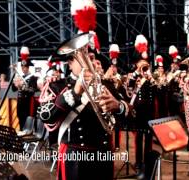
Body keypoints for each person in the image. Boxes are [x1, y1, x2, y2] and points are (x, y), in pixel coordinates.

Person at [38, 34, 131, 180]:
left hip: (103, 154)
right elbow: (46, 116)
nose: (89, 62)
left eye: (91, 58)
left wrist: (118, 106)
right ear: (70, 63)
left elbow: (133, 114)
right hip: (75, 156)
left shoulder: (106, 84)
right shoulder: (58, 85)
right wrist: (75, 91)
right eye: (83, 57)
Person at [12, 46, 38, 130]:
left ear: (28, 67)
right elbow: (13, 89)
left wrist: (23, 86)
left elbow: (32, 90)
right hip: (20, 102)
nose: (23, 69)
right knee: (20, 119)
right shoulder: (20, 76)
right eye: (22, 67)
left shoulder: (32, 77)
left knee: (28, 121)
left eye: (25, 67)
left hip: (28, 102)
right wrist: (16, 84)